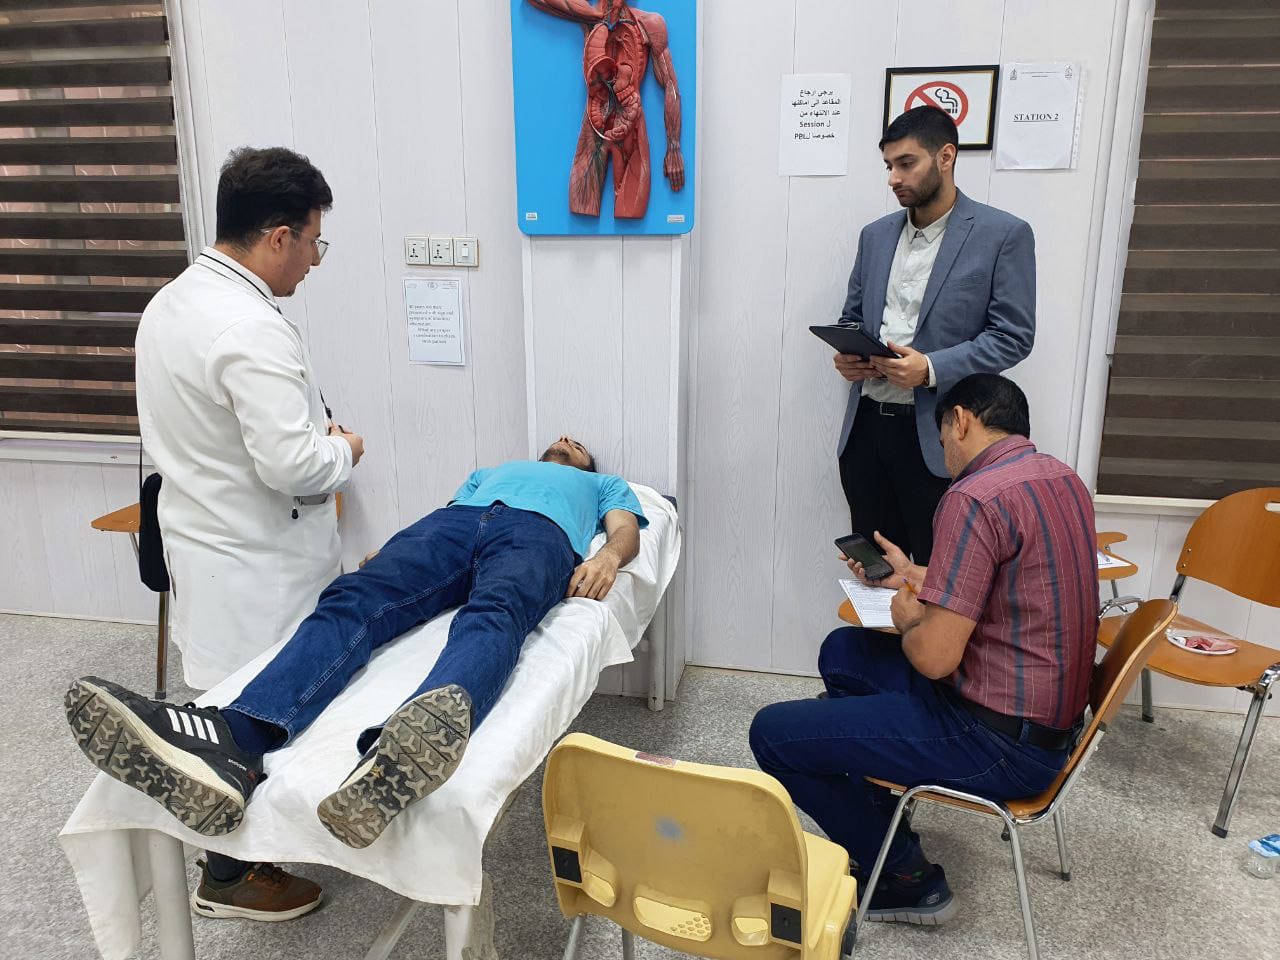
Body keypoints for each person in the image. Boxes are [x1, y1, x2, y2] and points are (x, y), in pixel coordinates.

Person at [66, 437, 645, 852]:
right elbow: (444, 512)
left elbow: (625, 529)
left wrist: (607, 558)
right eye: (559, 438)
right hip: (454, 525)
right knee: (353, 597)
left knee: (494, 614)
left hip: (539, 535)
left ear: (586, 463)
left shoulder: (599, 484)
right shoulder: (491, 471)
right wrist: (391, 552)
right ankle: (237, 741)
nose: (566, 440)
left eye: (576, 443)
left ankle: (402, 748)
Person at [750, 375, 1097, 925]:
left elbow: (934, 659)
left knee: (773, 734)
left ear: (960, 420)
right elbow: (1006, 583)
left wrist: (911, 616)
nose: (943, 458)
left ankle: (906, 877)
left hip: (995, 743)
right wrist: (912, 574)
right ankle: (882, 818)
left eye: (940, 442)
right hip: (1046, 727)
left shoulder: (972, 496)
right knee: (844, 651)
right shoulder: (1059, 478)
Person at [133, 146, 364, 918]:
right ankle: (231, 875)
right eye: (313, 243)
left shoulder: (172, 303)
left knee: (232, 703)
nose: (314, 261)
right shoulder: (249, 328)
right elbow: (293, 466)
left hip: (205, 543)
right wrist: (345, 449)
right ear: (277, 236)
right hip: (261, 563)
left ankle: (234, 849)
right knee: (261, 712)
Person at [831, 106, 1036, 564]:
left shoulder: (1003, 234)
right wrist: (848, 354)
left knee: (940, 576)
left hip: (942, 436)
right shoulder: (875, 236)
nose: (893, 178)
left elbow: (1013, 336)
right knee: (874, 569)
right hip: (865, 433)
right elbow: (852, 319)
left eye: (906, 163)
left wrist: (930, 368)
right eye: (889, 166)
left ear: (946, 157)